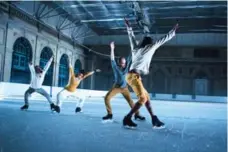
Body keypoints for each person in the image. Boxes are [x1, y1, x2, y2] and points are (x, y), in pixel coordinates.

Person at [123, 18, 179, 129]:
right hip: (133, 76)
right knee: (143, 99)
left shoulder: (136, 48)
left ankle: (154, 119)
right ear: (149, 43)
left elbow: (131, 38)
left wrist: (128, 27)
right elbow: (162, 40)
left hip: (132, 76)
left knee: (146, 97)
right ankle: (127, 118)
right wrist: (173, 31)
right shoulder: (150, 48)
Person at [102, 41, 145, 122]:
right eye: (122, 63)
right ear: (119, 63)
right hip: (116, 87)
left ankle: (137, 114)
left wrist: (136, 44)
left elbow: (131, 53)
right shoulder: (115, 67)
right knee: (107, 98)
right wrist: (112, 49)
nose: (124, 65)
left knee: (130, 101)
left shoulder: (127, 65)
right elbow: (112, 58)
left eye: (124, 63)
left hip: (125, 88)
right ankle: (109, 114)